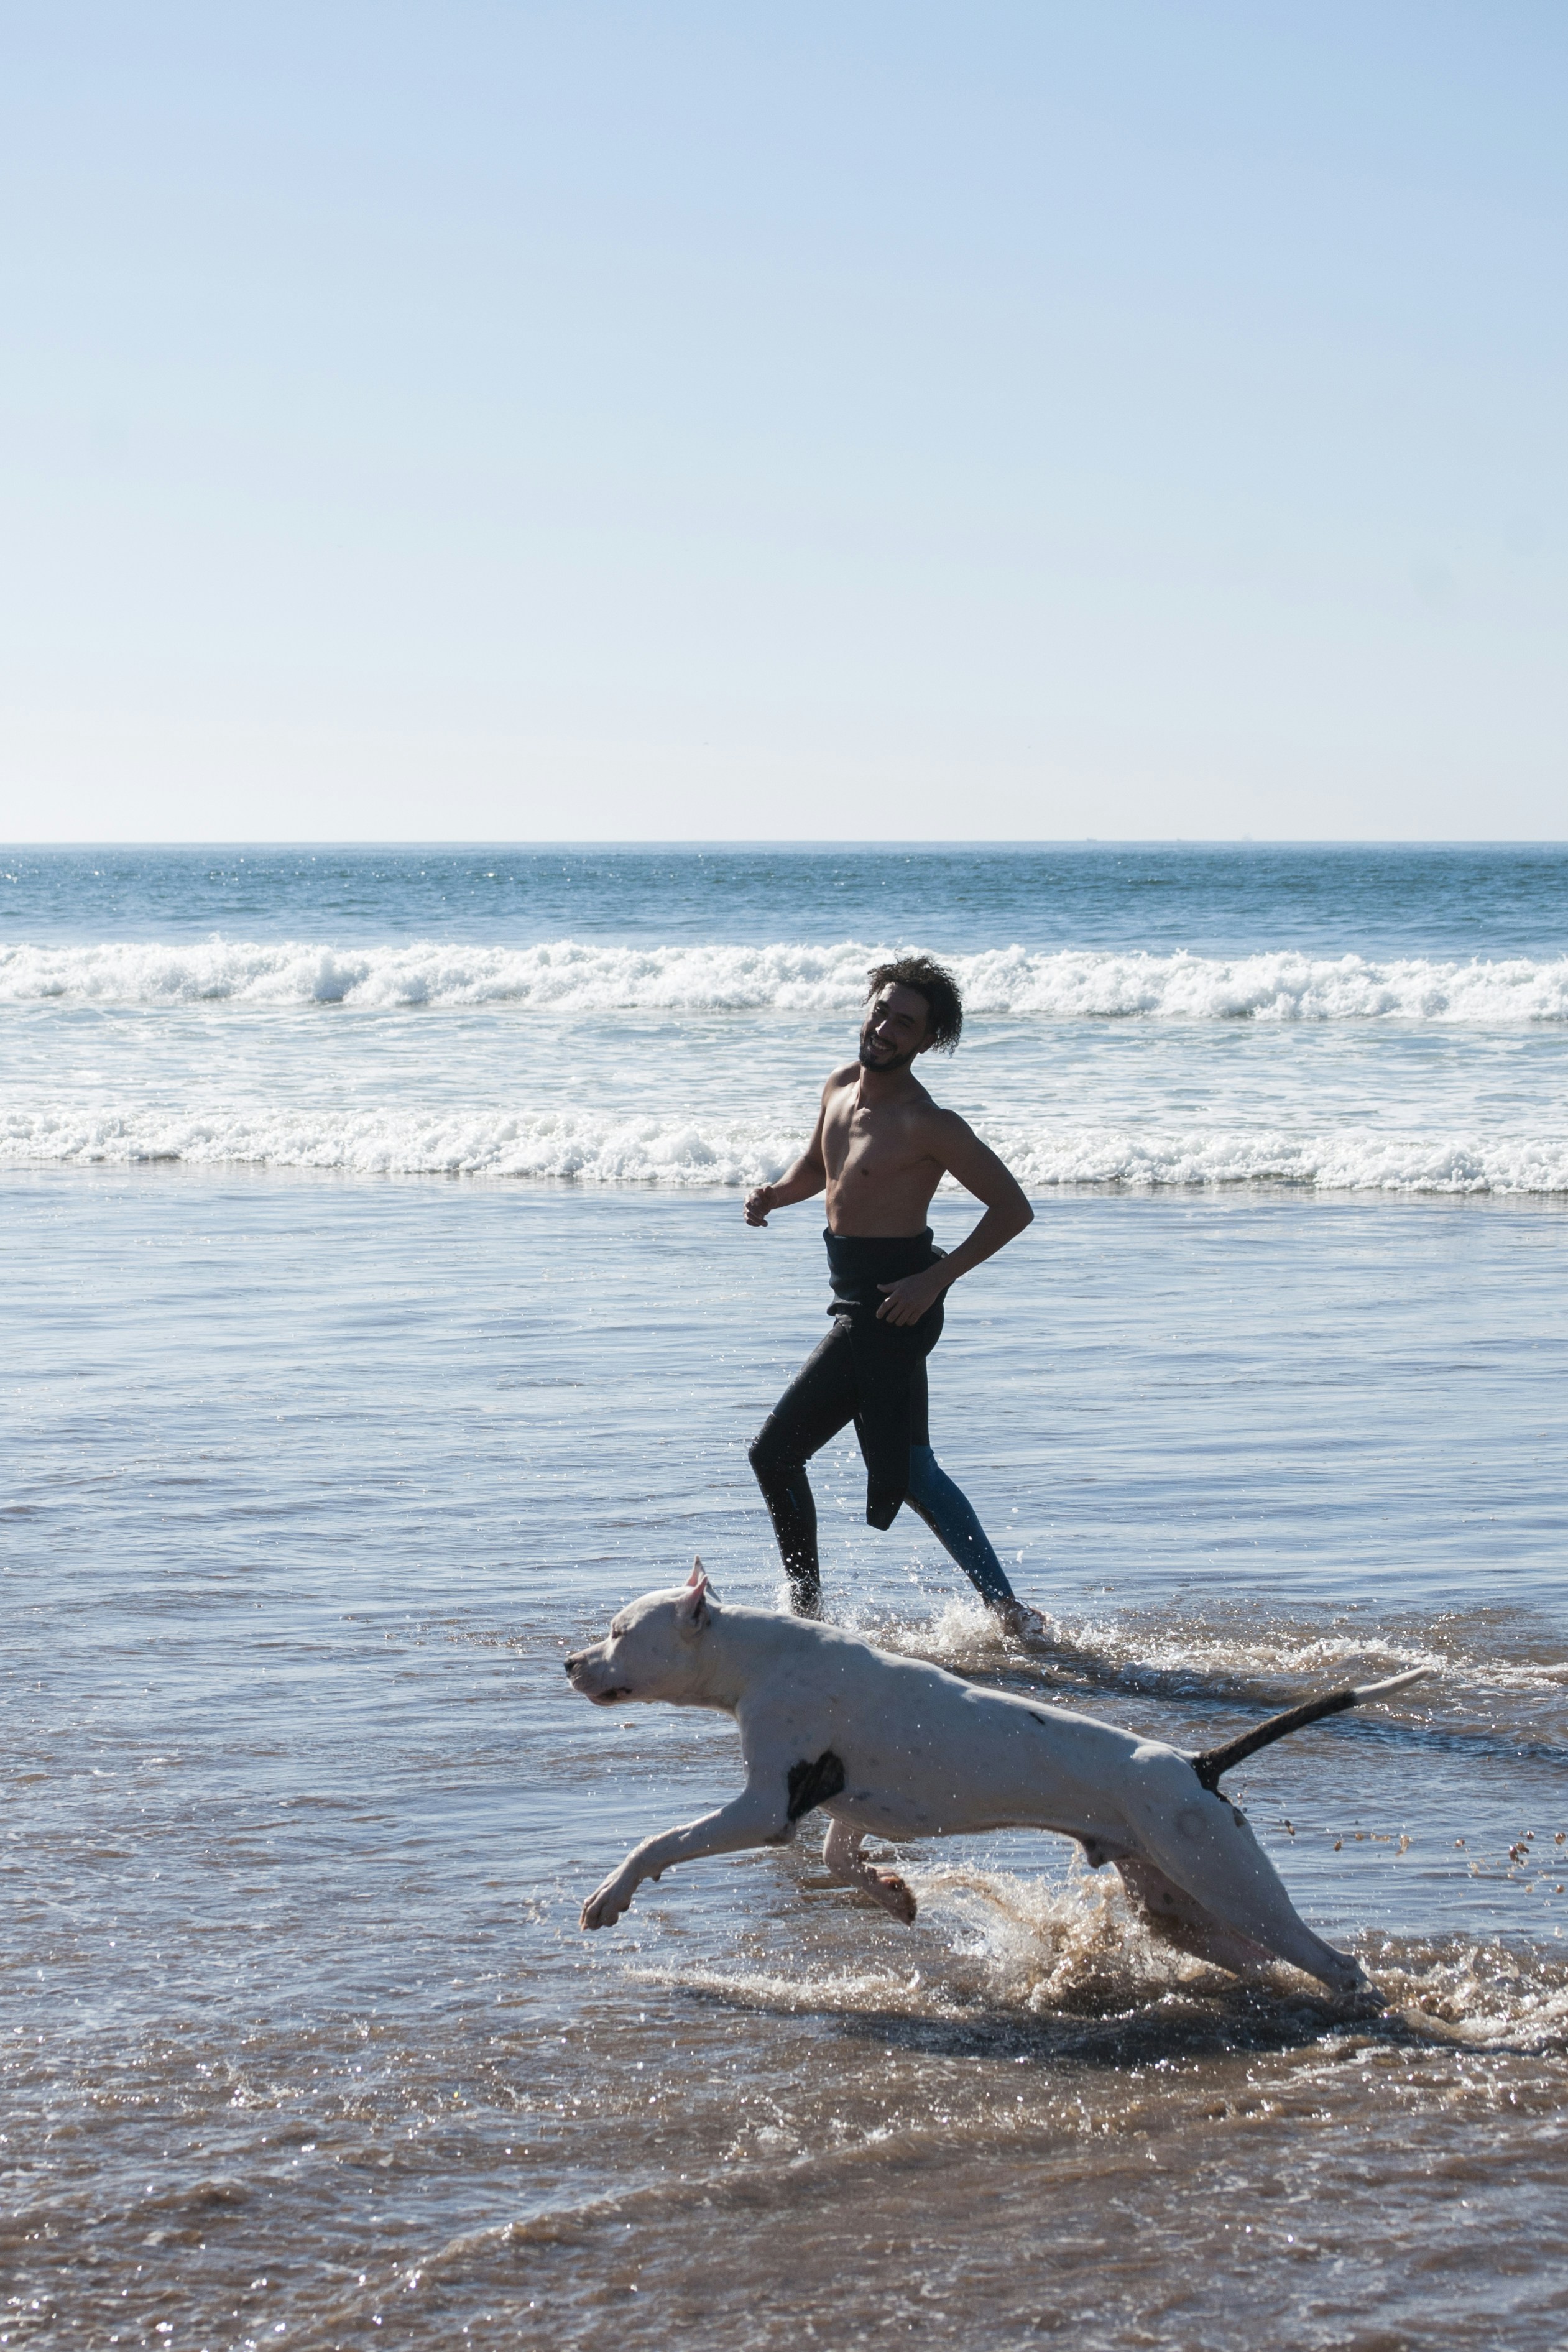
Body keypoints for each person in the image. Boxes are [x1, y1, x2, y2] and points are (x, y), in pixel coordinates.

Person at [744, 954, 1045, 1639]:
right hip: (856, 1295)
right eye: (880, 1011)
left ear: (927, 1040)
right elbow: (819, 1167)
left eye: (903, 1023)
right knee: (913, 1469)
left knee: (774, 1455)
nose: (883, 1028)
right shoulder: (838, 1086)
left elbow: (1012, 1209)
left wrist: (934, 1279)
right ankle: (1009, 1611)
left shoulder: (928, 1123)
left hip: (891, 1306)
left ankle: (806, 1617)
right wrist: (775, 1196)